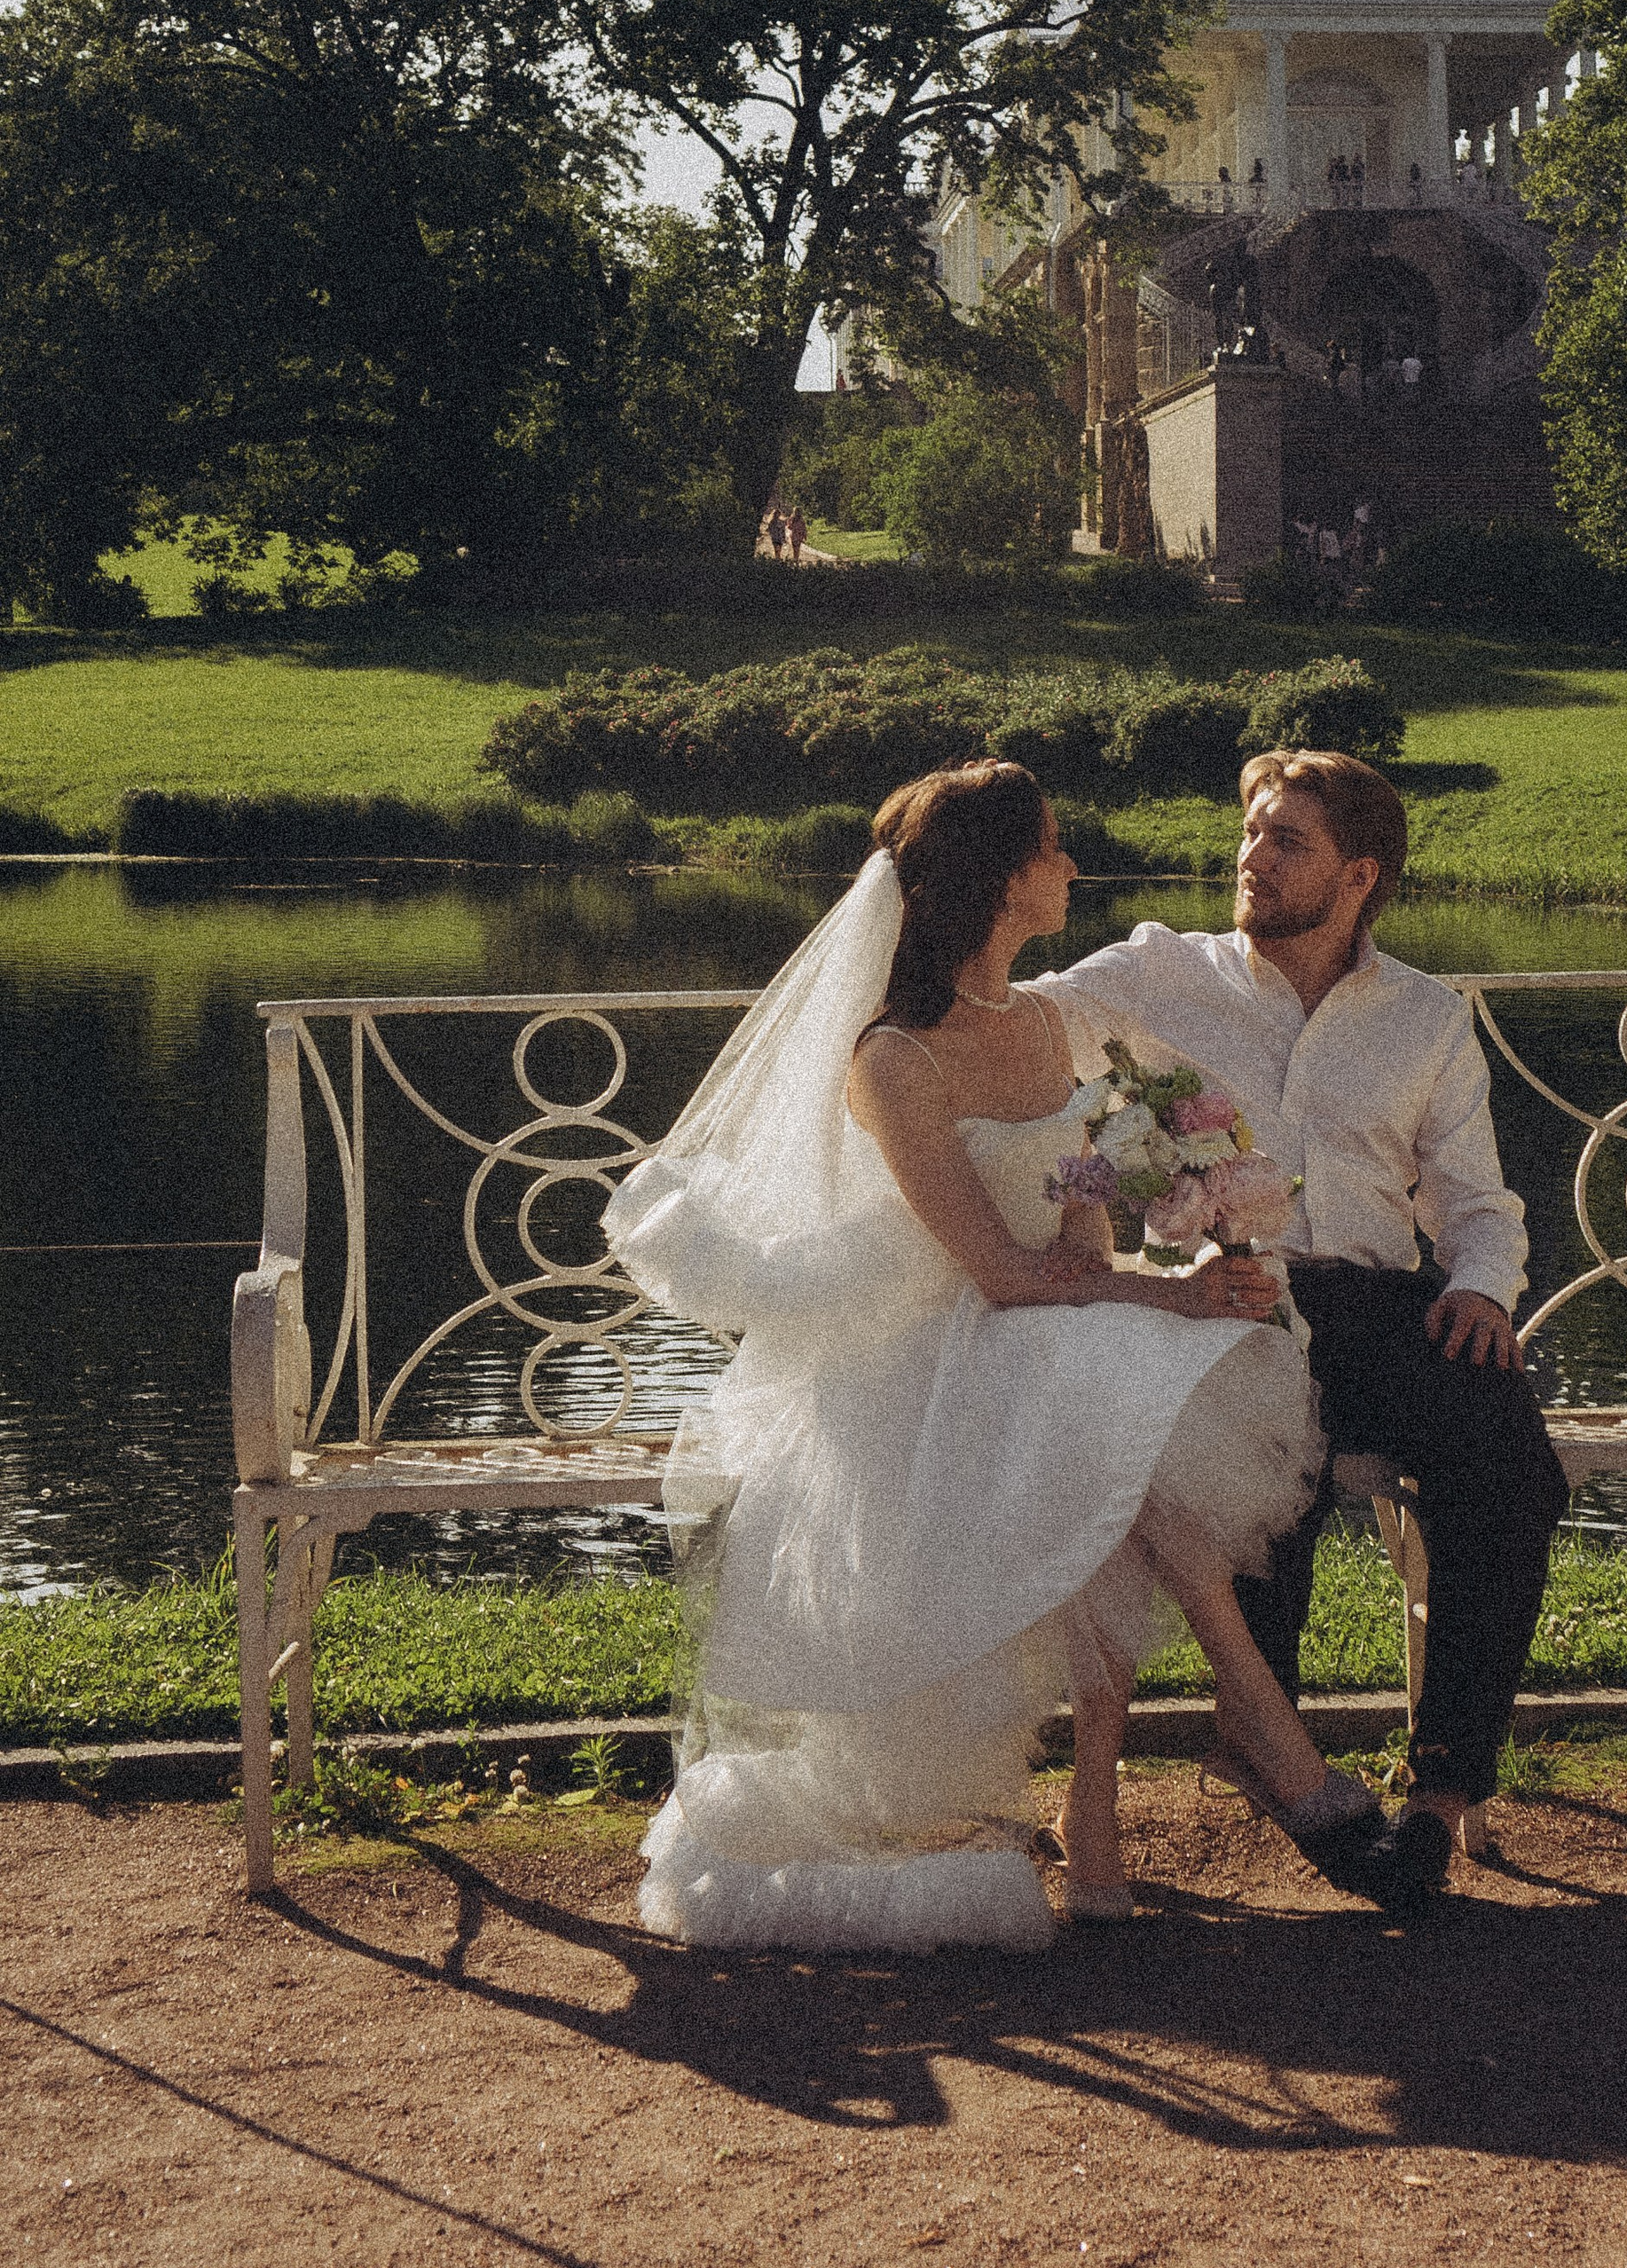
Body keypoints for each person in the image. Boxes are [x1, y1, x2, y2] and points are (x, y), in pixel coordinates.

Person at [603, 760, 1401, 1953]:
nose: (1071, 865)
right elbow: (996, 1269)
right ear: (996, 880)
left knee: (1125, 1415)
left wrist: (1178, 1241)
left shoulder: (1040, 1023)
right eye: (1051, 848)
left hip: (1042, 1328)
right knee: (1120, 1420)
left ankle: (1124, 1807)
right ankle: (1267, 1762)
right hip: (924, 1358)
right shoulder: (891, 1060)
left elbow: (1072, 1217)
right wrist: (1169, 1298)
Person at [1034, 751, 1569, 1909]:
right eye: (1252, 833)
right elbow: (1011, 1032)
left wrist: (1482, 1287)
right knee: (1267, 1460)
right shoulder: (1153, 975)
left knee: (1511, 1464)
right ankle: (1270, 1745)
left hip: (1382, 1305)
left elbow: (1473, 1203)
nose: (1253, 857)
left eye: (1288, 842)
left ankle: (1441, 1792)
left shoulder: (1426, 1016)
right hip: (1223, 1302)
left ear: (1358, 874)